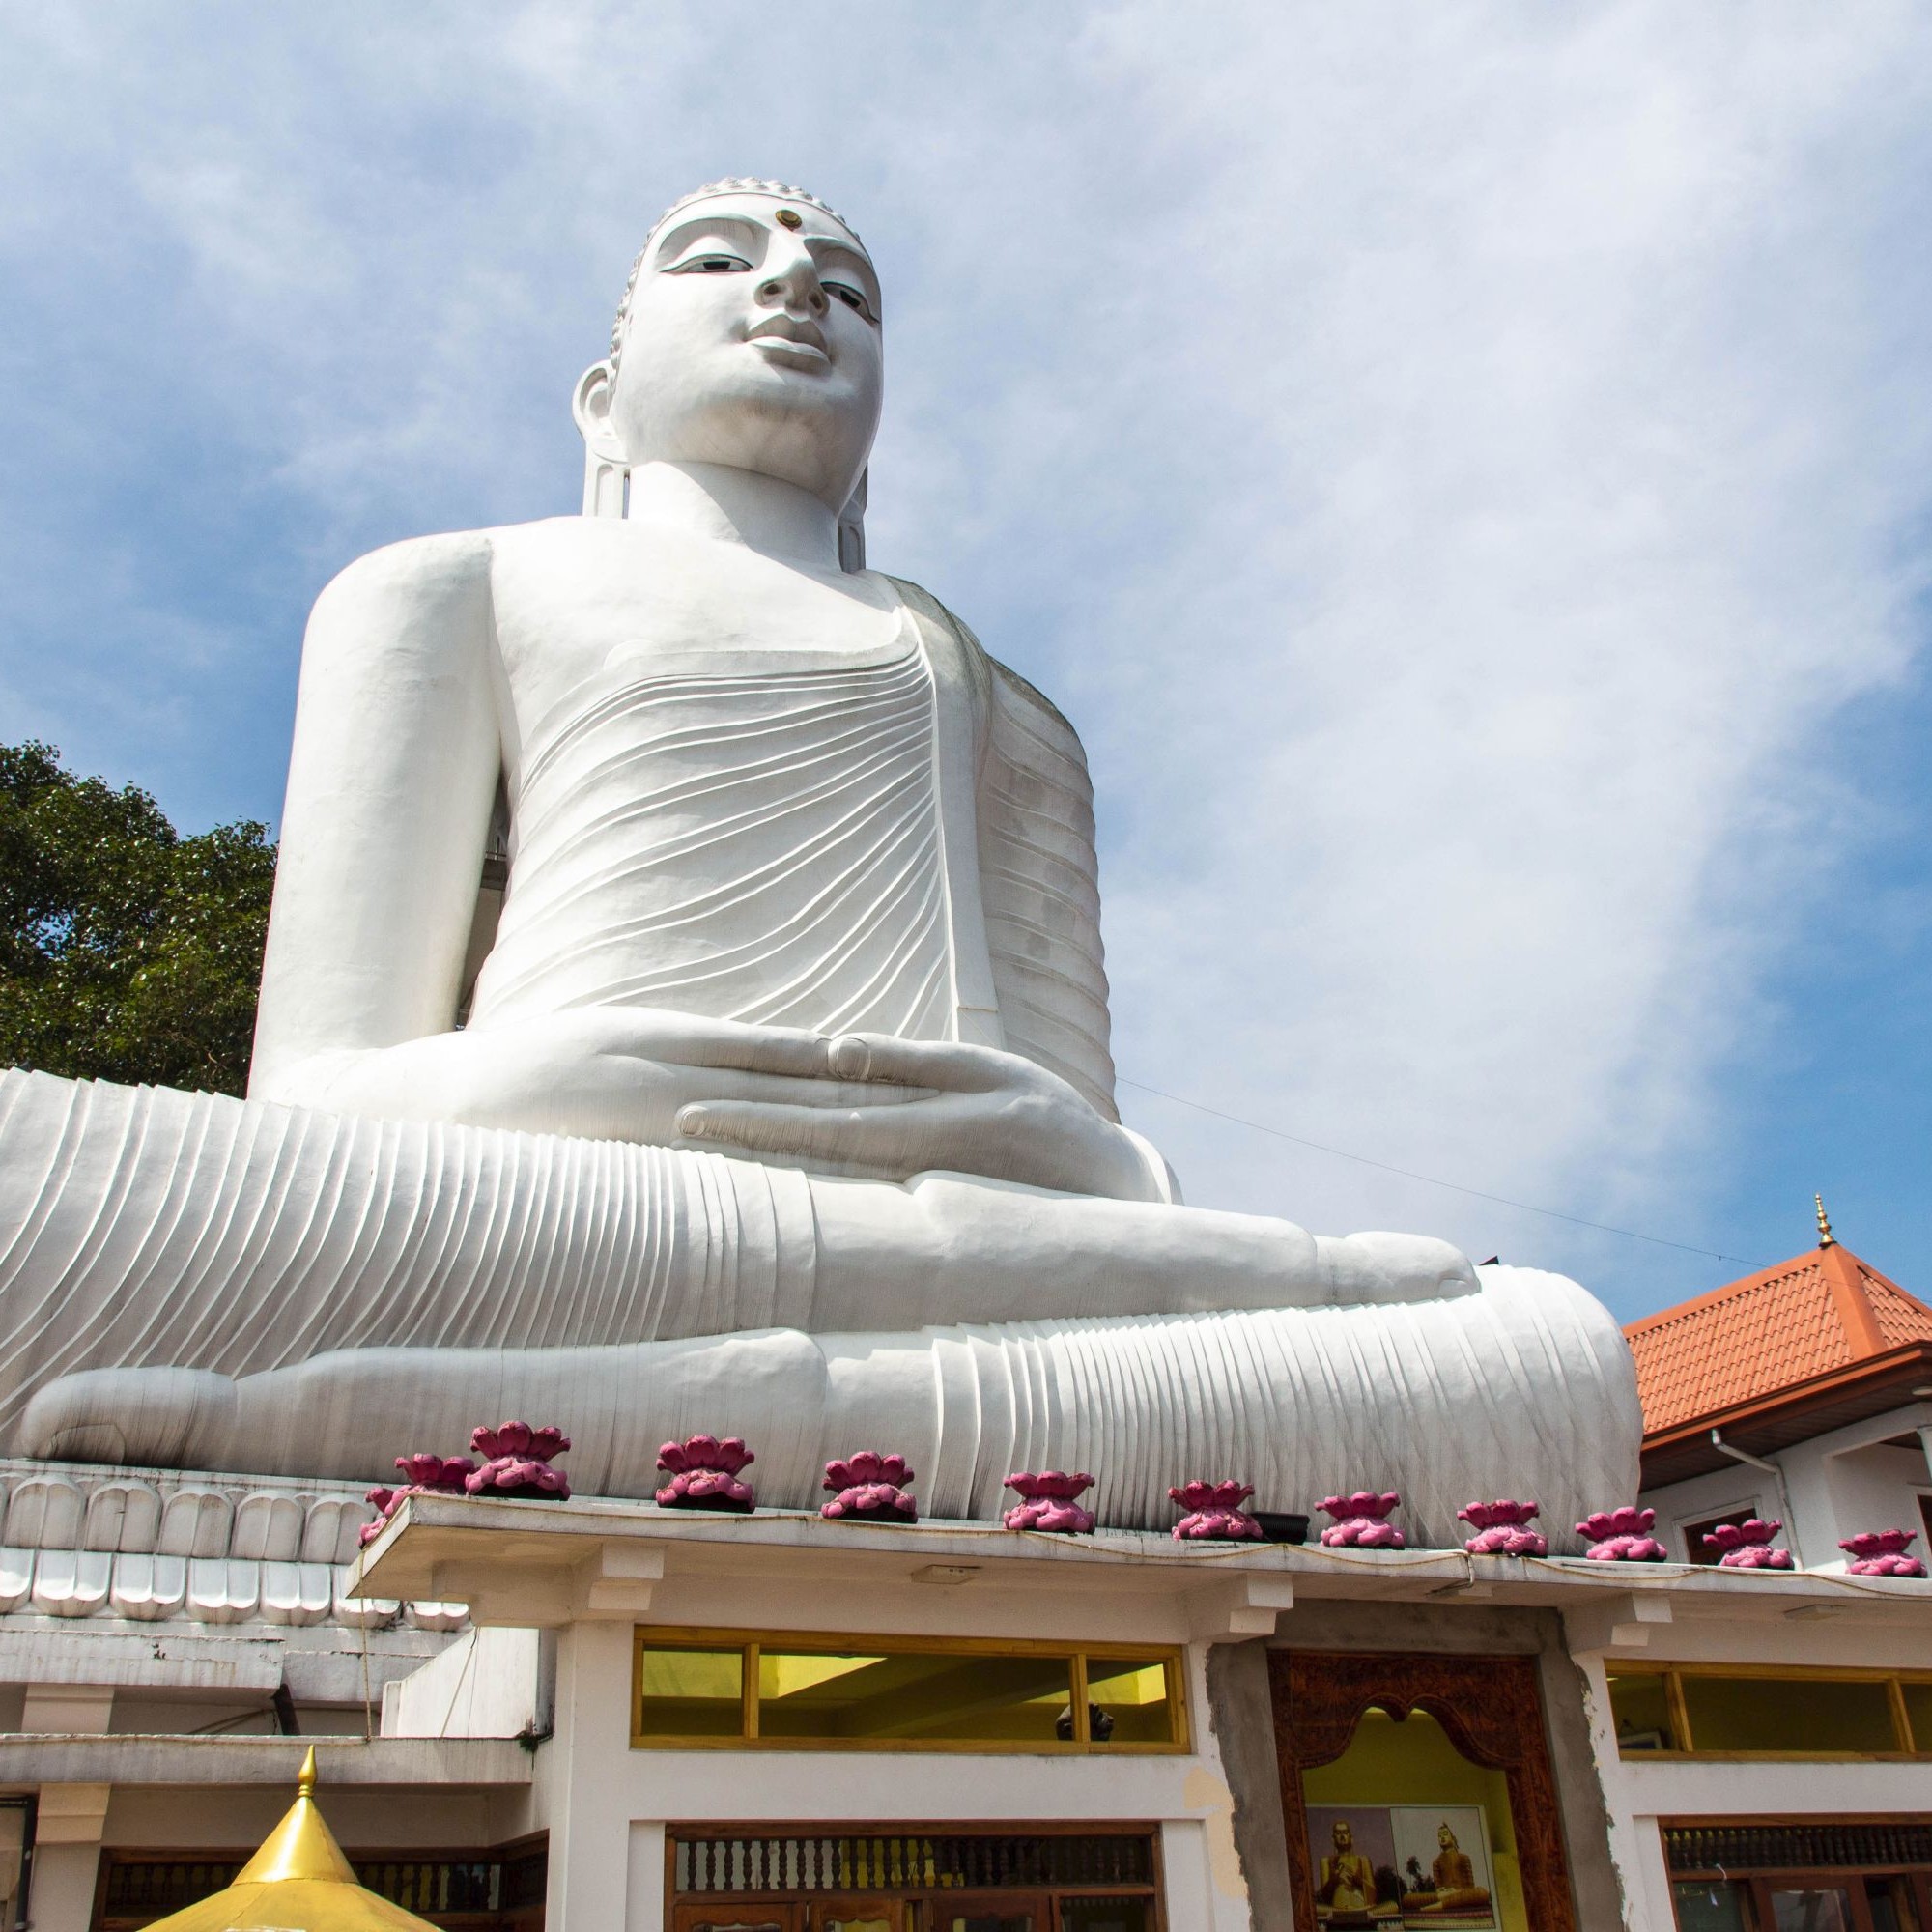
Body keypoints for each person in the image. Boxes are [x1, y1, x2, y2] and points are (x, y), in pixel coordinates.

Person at [1, 182, 1641, 1532]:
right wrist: (592, 1076)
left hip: (998, 1236)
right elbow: (318, 1097)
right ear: (604, 387)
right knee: (41, 1186)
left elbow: (1106, 1168)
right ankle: (930, 1411)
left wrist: (1062, 1150)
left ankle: (496, 1411)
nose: (792, 286)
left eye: (846, 288)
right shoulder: (452, 587)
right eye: (720, 259)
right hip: (568, 1201)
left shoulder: (1007, 705)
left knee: (1533, 1346)